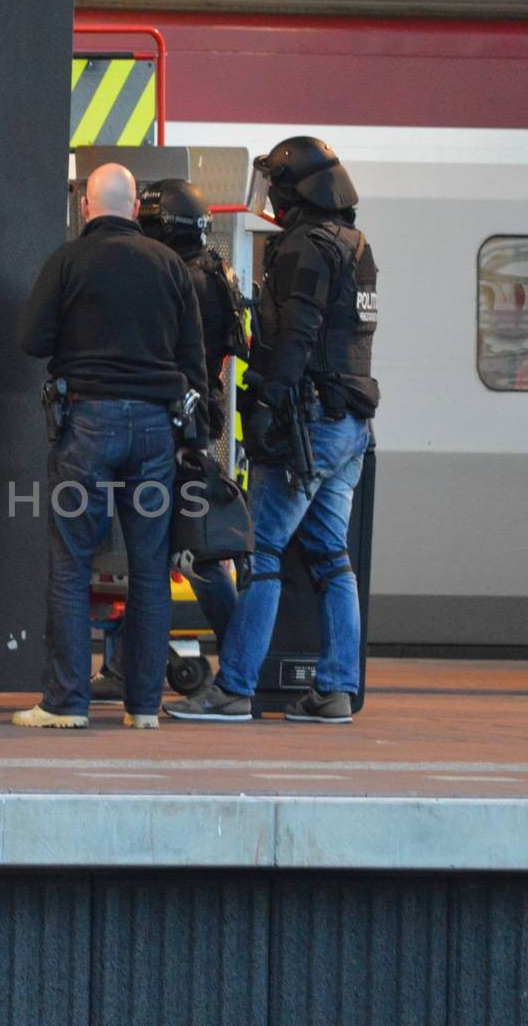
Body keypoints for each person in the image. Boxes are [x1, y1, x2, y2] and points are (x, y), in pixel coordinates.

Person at [165, 136, 378, 724]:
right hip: (349, 424)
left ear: (295, 189)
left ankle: (233, 688)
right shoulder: (355, 246)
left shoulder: (303, 249)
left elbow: (297, 336)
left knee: (261, 556)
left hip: (303, 421)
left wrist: (267, 408)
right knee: (332, 558)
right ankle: (334, 689)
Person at [13, 163, 207, 730]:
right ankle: (143, 706)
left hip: (89, 426)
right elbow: (193, 357)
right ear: (135, 209)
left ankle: (66, 703)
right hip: (154, 429)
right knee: (150, 568)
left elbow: (32, 339)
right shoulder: (170, 264)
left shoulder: (69, 260)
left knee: (71, 563)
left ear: (86, 206)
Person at [89, 177, 249, 707]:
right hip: (194, 423)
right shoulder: (215, 271)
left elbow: (174, 356)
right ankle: (133, 667)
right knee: (170, 551)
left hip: (176, 427)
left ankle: (235, 670)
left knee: (189, 557)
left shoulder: (181, 277)